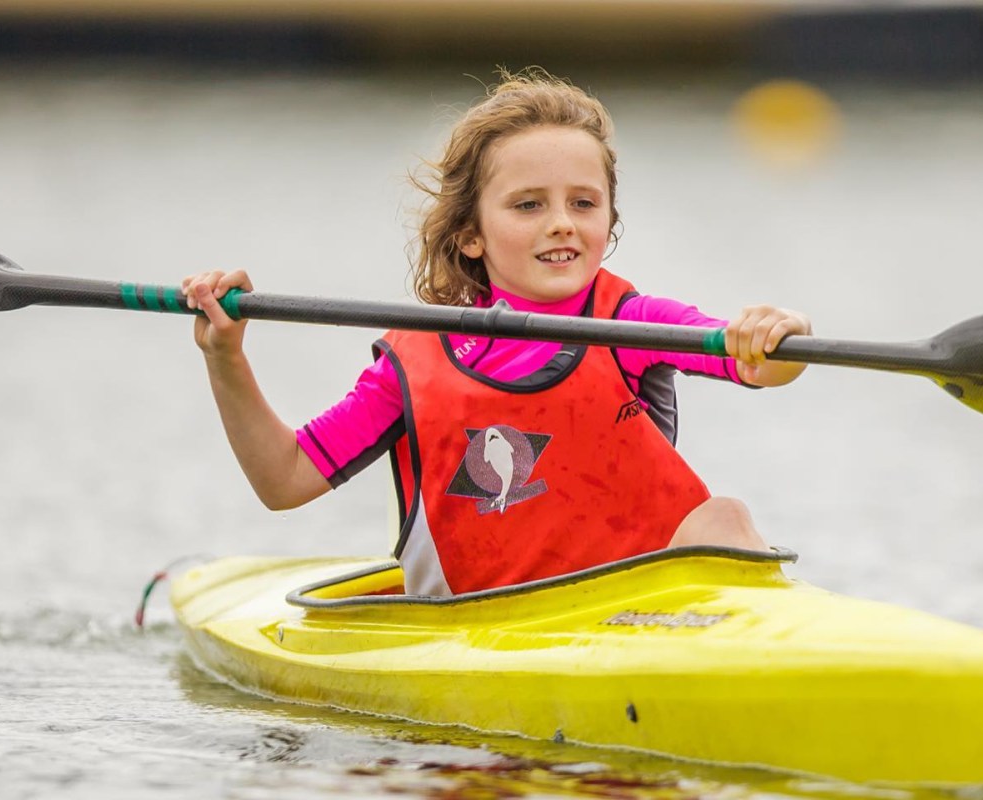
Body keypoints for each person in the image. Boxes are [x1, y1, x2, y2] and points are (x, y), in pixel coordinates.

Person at [182, 69, 812, 597]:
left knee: (723, 517)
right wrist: (225, 358)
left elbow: (759, 364)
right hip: (481, 630)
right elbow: (286, 479)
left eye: (584, 203)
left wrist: (780, 332)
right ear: (471, 235)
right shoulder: (411, 362)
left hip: (638, 610)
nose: (562, 223)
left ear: (608, 220)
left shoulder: (635, 324)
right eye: (529, 204)